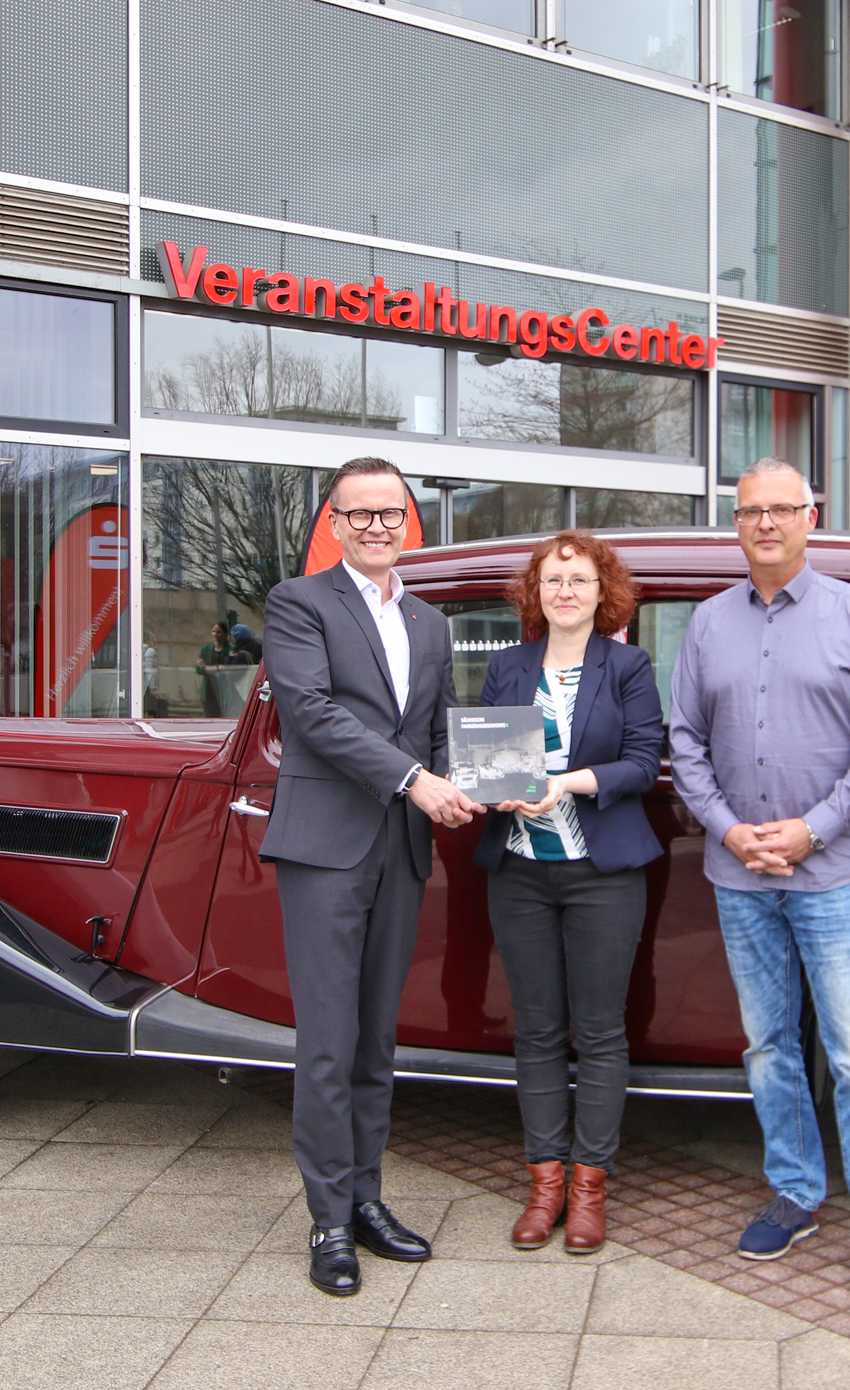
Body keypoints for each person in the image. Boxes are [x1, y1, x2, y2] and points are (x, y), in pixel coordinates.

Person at [668, 457, 850, 1310]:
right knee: (768, 1043)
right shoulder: (705, 624)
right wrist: (731, 829)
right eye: (750, 512)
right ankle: (797, 1191)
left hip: (835, 873)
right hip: (739, 873)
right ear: (735, 525)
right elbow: (686, 741)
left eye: (782, 509)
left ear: (811, 516)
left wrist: (815, 828)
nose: (765, 523)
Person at [258, 455, 482, 1297]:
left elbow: (433, 726)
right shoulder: (300, 602)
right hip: (326, 845)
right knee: (327, 1041)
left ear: (408, 522)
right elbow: (310, 714)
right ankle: (326, 1221)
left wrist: (472, 777)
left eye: (392, 513)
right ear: (337, 524)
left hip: (400, 847)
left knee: (377, 1039)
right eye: (362, 514)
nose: (379, 526)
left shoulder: (428, 621)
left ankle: (366, 1199)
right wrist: (415, 780)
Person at [475, 532, 664, 1256]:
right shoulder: (508, 666)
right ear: (536, 591)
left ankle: (590, 1184)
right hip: (521, 871)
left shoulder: (628, 666)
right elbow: (490, 763)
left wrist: (567, 782)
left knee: (601, 1030)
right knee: (537, 1031)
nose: (565, 591)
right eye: (553, 580)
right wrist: (497, 791)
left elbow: (643, 762)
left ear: (601, 591)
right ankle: (545, 1180)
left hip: (602, 873)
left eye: (579, 580)